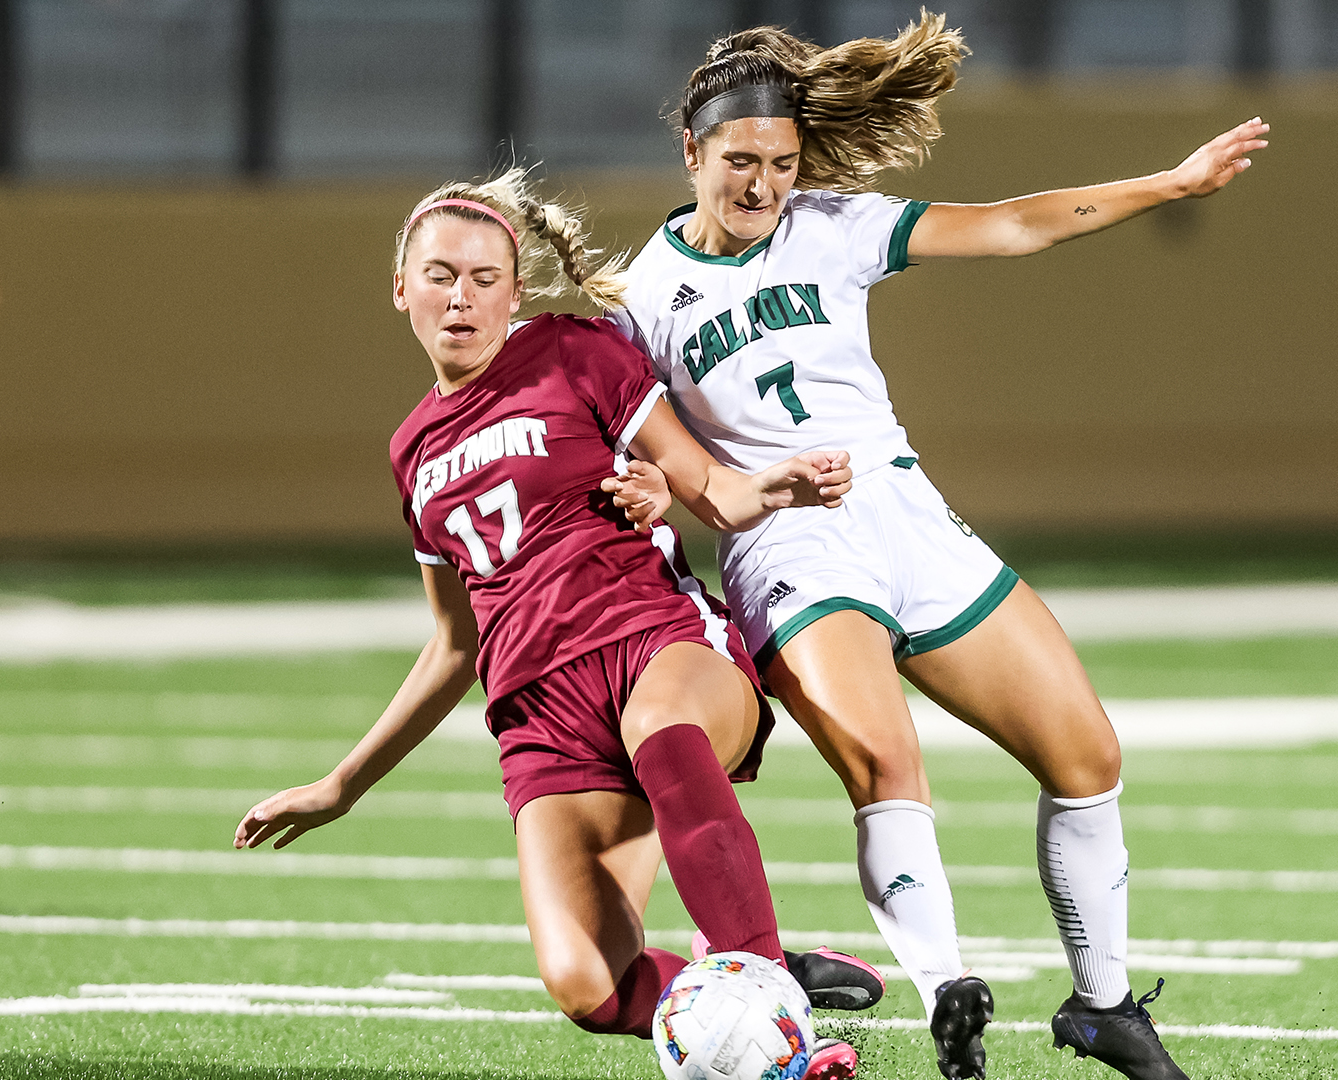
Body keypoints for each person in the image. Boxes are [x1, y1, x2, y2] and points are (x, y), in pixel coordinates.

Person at [601, 14, 1270, 1080]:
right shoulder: (640, 302)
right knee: (888, 760)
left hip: (904, 511)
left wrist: (1169, 185)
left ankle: (1102, 1006)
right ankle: (947, 993)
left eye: (782, 163)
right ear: (691, 151)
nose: (764, 185)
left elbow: (1011, 226)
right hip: (789, 546)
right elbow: (664, 463)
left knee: (1087, 755)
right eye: (740, 162)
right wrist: (649, 490)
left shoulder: (833, 225)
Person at [234, 172, 879, 1078]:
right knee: (588, 984)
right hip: (541, 717)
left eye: (484, 278)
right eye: (440, 276)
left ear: (516, 291)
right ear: (401, 289)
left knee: (665, 728)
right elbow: (456, 644)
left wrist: (772, 487)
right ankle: (752, 976)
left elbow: (704, 483)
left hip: (652, 644)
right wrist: (343, 785)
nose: (461, 297)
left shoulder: (574, 350)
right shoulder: (411, 449)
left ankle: (772, 1003)